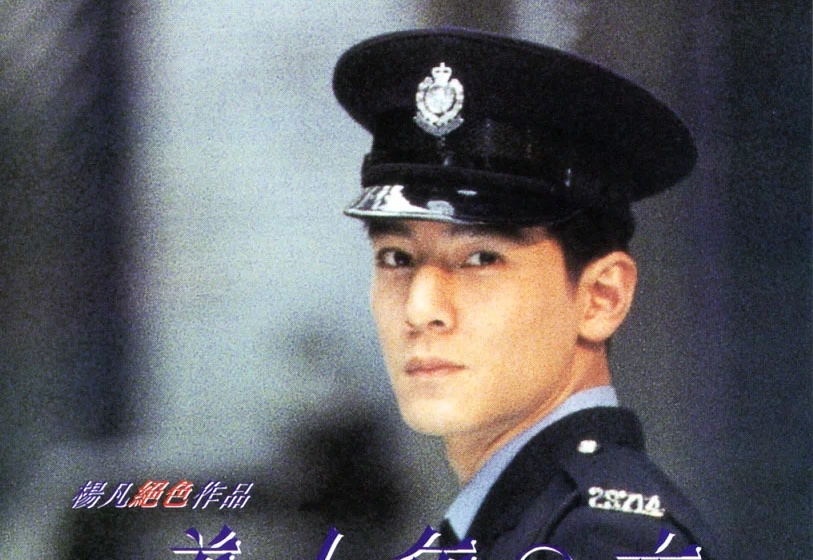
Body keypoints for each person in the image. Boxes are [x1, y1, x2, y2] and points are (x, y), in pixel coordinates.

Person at [332, 28, 718, 560]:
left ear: (601, 297)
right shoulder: (524, 522)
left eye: (480, 259)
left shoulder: (600, 539)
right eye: (397, 258)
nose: (421, 310)